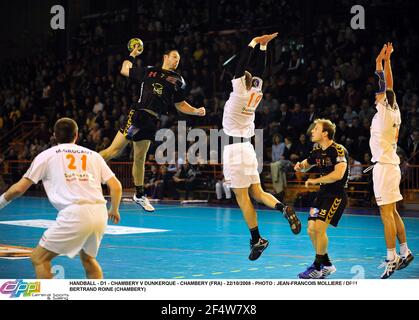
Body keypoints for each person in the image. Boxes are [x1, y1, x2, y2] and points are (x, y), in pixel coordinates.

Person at [0, 118, 122, 279]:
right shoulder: (94, 155)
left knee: (39, 258)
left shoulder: (46, 156)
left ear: (54, 136)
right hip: (100, 214)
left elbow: (19, 188)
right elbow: (116, 186)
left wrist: (1, 201)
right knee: (88, 259)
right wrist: (113, 209)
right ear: (76, 135)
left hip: (76, 214)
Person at [222, 33, 301, 261]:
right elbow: (259, 71)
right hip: (248, 149)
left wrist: (254, 42)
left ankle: (257, 239)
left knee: (242, 197)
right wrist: (264, 48)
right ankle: (283, 208)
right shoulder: (255, 92)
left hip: (235, 150)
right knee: (257, 192)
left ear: (239, 82)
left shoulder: (238, 94)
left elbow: (241, 66)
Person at [99, 44, 205, 212]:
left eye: (179, 58)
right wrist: (132, 54)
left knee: (139, 158)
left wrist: (196, 111)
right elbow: (125, 69)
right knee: (114, 151)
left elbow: (180, 104)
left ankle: (139, 195)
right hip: (138, 115)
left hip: (152, 120)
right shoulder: (149, 71)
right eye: (174, 57)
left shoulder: (178, 80)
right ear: (166, 57)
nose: (177, 60)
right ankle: (84, 172)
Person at [370, 43, 413, 279]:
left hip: (385, 168)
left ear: (384, 99)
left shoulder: (385, 111)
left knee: (386, 214)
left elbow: (386, 86)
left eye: (379, 93)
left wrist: (382, 64)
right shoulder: (393, 111)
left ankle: (391, 257)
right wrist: (385, 62)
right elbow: (390, 87)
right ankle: (405, 251)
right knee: (393, 212)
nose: (375, 94)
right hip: (391, 165)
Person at [294, 119, 349, 279]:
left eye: (316, 129)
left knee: (319, 229)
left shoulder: (338, 150)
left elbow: (338, 175)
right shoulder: (317, 150)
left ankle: (317, 267)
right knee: (311, 229)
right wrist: (300, 166)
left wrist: (315, 180)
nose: (312, 131)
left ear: (325, 133)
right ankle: (328, 264)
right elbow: (307, 163)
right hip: (322, 195)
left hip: (336, 196)